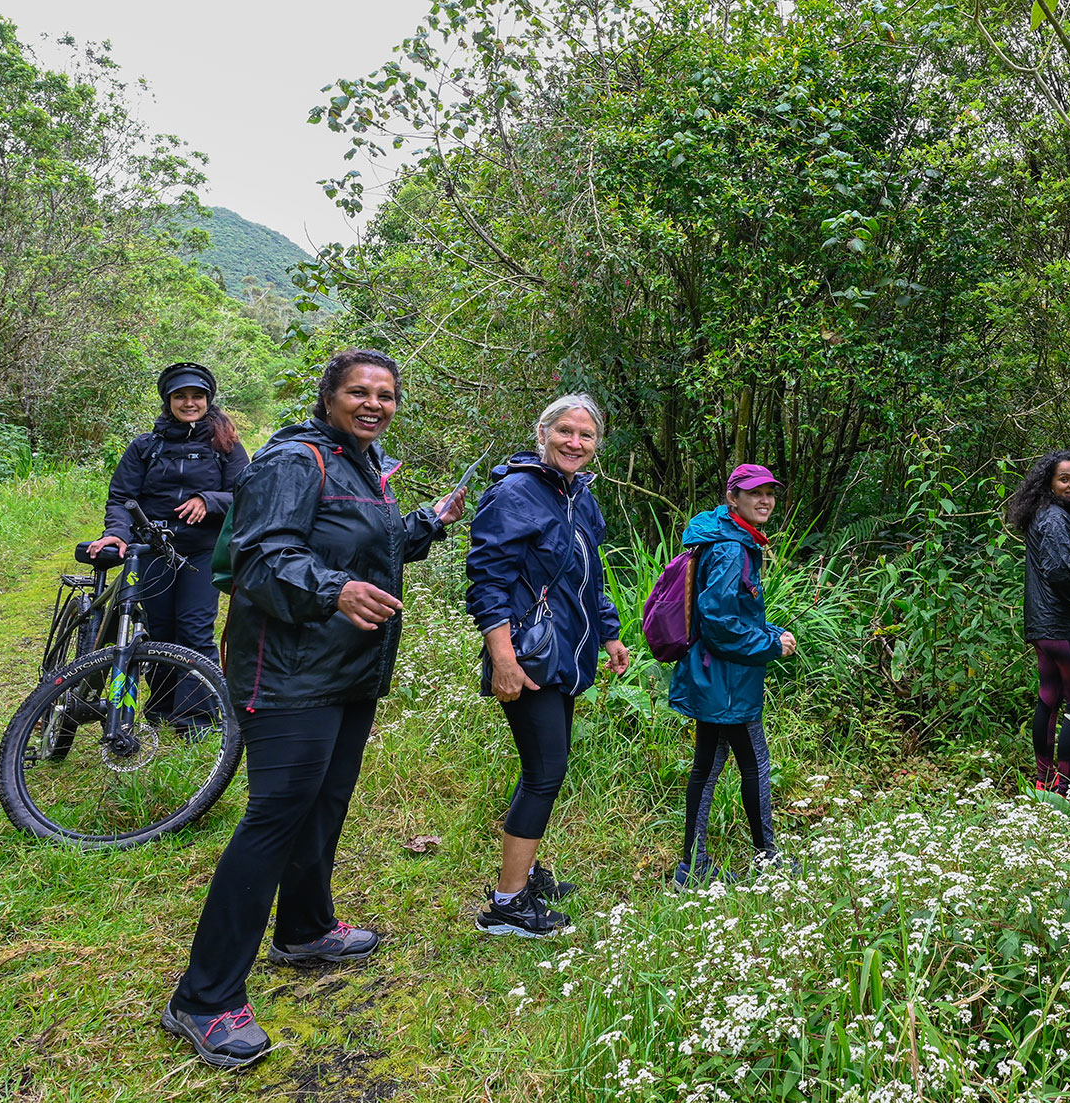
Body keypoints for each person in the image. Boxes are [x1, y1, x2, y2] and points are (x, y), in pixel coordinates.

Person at [161, 349, 466, 1069]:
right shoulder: (295, 460)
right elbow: (264, 561)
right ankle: (203, 998)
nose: (374, 402)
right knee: (274, 819)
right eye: (359, 391)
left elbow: (370, 547)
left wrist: (427, 521)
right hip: (287, 673)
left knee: (324, 804)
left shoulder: (362, 463)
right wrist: (333, 591)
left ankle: (305, 929)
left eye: (386, 394)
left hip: (348, 670)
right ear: (328, 396)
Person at [465, 394, 631, 937]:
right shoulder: (514, 494)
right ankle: (507, 905)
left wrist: (608, 635)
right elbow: (487, 583)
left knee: (545, 770)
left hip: (568, 652)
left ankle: (526, 873)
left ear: (596, 446)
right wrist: (504, 660)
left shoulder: (578, 495)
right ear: (543, 433)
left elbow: (589, 576)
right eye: (565, 431)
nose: (574, 442)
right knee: (545, 772)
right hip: (530, 656)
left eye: (586, 436)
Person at [87, 362, 247, 725]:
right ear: (168, 400)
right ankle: (160, 710)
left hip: (203, 550)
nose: (189, 403)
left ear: (208, 399)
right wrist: (117, 533)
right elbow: (121, 498)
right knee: (160, 632)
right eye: (181, 396)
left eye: (197, 396)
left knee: (193, 630)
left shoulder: (226, 444)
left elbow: (244, 492)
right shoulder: (146, 445)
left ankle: (196, 720)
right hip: (152, 548)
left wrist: (210, 499)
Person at [667, 464, 796, 890]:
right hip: (726, 677)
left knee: (707, 766)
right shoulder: (729, 548)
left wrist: (772, 633)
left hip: (713, 671)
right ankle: (767, 859)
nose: (765, 501)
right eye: (755, 493)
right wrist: (770, 646)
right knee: (754, 763)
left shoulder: (726, 536)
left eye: (770, 493)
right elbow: (720, 621)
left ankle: (692, 864)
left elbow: (731, 613)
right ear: (733, 498)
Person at [1006, 450, 1070, 796]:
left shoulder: (1046, 516)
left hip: (1046, 627)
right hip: (1067, 627)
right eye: (1064, 478)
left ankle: (1044, 779)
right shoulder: (1053, 518)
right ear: (1049, 484)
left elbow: (1060, 566)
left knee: (1050, 699)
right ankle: (1063, 788)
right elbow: (1059, 572)